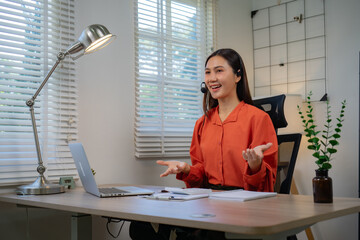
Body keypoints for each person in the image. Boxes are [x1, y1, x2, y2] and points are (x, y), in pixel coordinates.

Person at [129, 48, 278, 240]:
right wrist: (186, 169)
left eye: (219, 71)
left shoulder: (258, 119)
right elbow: (199, 176)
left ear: (237, 76)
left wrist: (256, 165)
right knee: (140, 226)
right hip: (207, 200)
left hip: (242, 205)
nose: (212, 78)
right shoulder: (202, 123)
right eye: (208, 72)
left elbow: (267, 186)